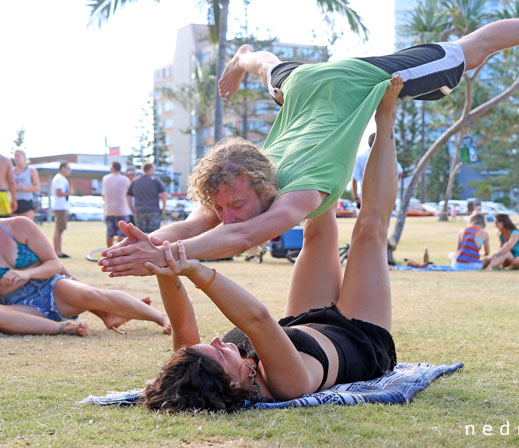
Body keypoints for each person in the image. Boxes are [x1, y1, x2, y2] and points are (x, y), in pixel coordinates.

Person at [100, 3, 519, 276]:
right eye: (225, 205)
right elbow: (206, 222)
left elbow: (240, 239)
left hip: (355, 78)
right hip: (304, 86)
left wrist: (161, 257)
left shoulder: (300, 188)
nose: (231, 212)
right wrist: (148, 242)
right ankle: (240, 56)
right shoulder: (243, 181)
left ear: (260, 185)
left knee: (474, 49)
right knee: (264, 66)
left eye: (236, 203)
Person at [141, 76, 401, 412]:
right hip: (359, 337)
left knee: (316, 228)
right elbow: (259, 319)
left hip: (303, 323)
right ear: (232, 383)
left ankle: (315, 120)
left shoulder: (198, 367)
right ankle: (385, 118)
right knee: (369, 230)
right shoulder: (287, 384)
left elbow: (182, 324)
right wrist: (195, 269)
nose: (218, 341)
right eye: (219, 352)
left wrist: (165, 265)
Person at [0, 184, 172, 336]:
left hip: (52, 288)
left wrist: (26, 273)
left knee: (92, 294)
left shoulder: (19, 225)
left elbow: (54, 264)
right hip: (22, 306)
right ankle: (63, 328)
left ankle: (160, 317)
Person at [352, 133, 403, 209]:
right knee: (383, 220)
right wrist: (389, 186)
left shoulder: (360, 158)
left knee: (366, 219)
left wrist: (356, 198)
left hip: (366, 196)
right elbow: (400, 172)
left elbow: (354, 180)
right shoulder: (388, 157)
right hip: (384, 196)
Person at [127, 163, 167, 234]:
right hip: (154, 211)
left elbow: (128, 196)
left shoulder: (135, 181)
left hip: (139, 211)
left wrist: (132, 209)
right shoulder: (156, 180)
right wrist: (163, 208)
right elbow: (164, 194)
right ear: (151, 169)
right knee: (154, 235)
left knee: (140, 235)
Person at [102, 161, 131, 247]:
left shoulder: (105, 178)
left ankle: (109, 252)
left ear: (112, 168)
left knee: (109, 233)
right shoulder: (125, 179)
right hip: (122, 210)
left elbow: (104, 194)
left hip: (109, 210)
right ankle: (119, 252)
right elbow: (129, 194)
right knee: (122, 234)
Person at [50, 162, 71, 258]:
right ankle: (57, 252)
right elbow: (58, 193)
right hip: (60, 207)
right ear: (63, 168)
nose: (69, 170)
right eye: (68, 168)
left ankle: (58, 251)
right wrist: (69, 193)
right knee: (59, 230)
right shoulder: (59, 179)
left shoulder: (62, 179)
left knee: (59, 230)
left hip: (62, 207)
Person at [12, 149, 40, 221]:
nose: (16, 158)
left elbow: (37, 187)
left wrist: (23, 188)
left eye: (18, 156)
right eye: (15, 156)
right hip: (14, 202)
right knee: (14, 229)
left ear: (24, 157)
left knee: (26, 228)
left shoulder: (31, 171)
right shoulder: (11, 172)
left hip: (26, 202)